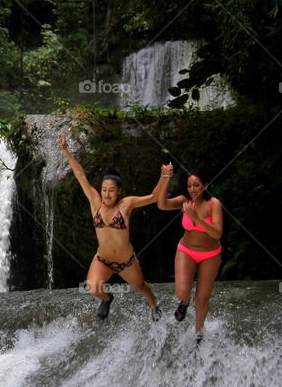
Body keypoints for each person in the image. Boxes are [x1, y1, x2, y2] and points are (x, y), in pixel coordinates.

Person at [59, 130, 166, 319]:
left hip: (126, 261)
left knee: (140, 286)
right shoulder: (96, 203)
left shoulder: (126, 204)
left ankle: (153, 303)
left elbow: (155, 197)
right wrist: (66, 151)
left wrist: (164, 177)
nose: (107, 194)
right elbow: (80, 176)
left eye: (111, 191)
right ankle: (107, 298)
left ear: (119, 192)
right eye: (104, 190)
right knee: (92, 287)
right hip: (103, 259)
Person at [156, 163, 223, 341]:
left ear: (206, 185)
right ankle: (184, 303)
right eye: (189, 186)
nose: (192, 189)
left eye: (196, 185)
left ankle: (198, 332)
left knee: (201, 298)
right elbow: (161, 205)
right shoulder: (184, 201)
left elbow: (217, 232)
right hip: (186, 250)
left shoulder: (213, 204)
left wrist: (195, 217)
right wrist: (165, 178)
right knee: (182, 292)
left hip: (210, 254)